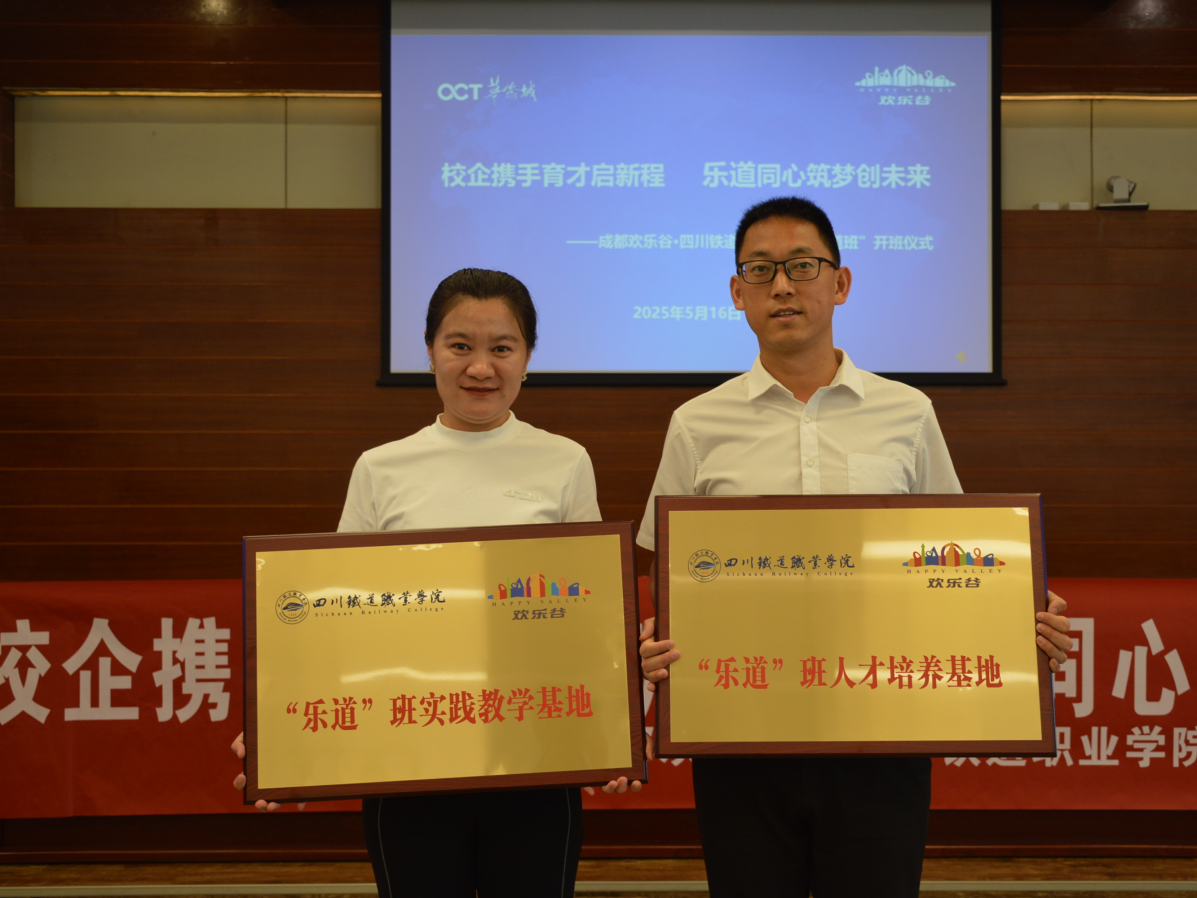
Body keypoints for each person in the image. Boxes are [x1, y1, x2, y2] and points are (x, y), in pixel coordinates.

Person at [636, 197, 1073, 898]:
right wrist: (657, 643)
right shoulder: (696, 423)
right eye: (760, 270)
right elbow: (673, 579)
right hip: (741, 733)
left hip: (882, 729)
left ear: (839, 283)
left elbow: (956, 553)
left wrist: (1015, 611)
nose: (782, 286)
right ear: (737, 293)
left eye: (802, 266)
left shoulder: (907, 412)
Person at [230, 268, 640, 898]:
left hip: (532, 753)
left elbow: (589, 613)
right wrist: (280, 739)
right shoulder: (382, 468)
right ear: (429, 350)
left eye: (502, 348)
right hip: (408, 755)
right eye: (460, 345)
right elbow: (337, 618)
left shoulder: (565, 461)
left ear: (528, 356)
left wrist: (613, 729)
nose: (481, 367)